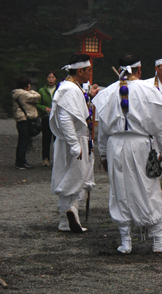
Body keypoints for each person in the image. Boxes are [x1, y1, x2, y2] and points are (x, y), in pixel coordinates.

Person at [93, 53, 162, 254]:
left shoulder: (107, 93)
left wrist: (103, 155)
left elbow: (103, 131)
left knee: (120, 189)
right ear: (140, 70)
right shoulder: (149, 90)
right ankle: (157, 239)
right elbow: (159, 127)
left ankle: (126, 241)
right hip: (141, 145)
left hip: (116, 146)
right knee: (148, 188)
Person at [50, 54, 99, 233]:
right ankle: (72, 209)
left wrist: (89, 96)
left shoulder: (73, 87)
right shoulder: (69, 89)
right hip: (74, 141)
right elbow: (65, 118)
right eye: (89, 70)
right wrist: (74, 144)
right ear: (80, 71)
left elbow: (77, 112)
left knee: (72, 176)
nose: (90, 73)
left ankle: (65, 220)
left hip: (77, 140)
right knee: (77, 176)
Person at [12, 76, 41, 169]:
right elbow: (37, 97)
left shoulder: (17, 93)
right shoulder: (23, 94)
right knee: (24, 141)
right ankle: (21, 161)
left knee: (22, 140)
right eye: (28, 85)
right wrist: (31, 91)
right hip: (24, 119)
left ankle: (20, 160)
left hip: (21, 119)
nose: (30, 86)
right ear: (25, 86)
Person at [37, 71, 57, 167]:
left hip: (57, 118)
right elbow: (37, 104)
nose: (51, 79)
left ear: (56, 79)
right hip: (46, 117)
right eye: (49, 77)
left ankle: (57, 159)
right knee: (46, 139)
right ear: (46, 78)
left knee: (57, 139)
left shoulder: (59, 89)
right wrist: (44, 108)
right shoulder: (41, 91)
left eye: (53, 77)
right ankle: (45, 158)